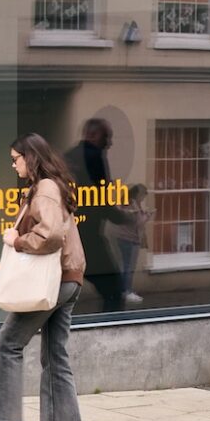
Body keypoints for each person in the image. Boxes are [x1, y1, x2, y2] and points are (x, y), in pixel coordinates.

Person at [0, 133, 86, 421]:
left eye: (16, 159)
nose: (13, 165)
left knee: (8, 343)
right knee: (55, 357)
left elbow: (50, 234)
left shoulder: (45, 188)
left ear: (31, 157)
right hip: (69, 279)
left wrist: (17, 240)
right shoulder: (51, 186)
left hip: (53, 282)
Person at [65, 117, 127, 311]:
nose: (109, 143)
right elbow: (100, 200)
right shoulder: (94, 157)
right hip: (89, 236)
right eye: (106, 137)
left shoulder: (68, 157)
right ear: (93, 135)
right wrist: (126, 218)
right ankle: (111, 327)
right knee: (114, 290)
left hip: (69, 234)